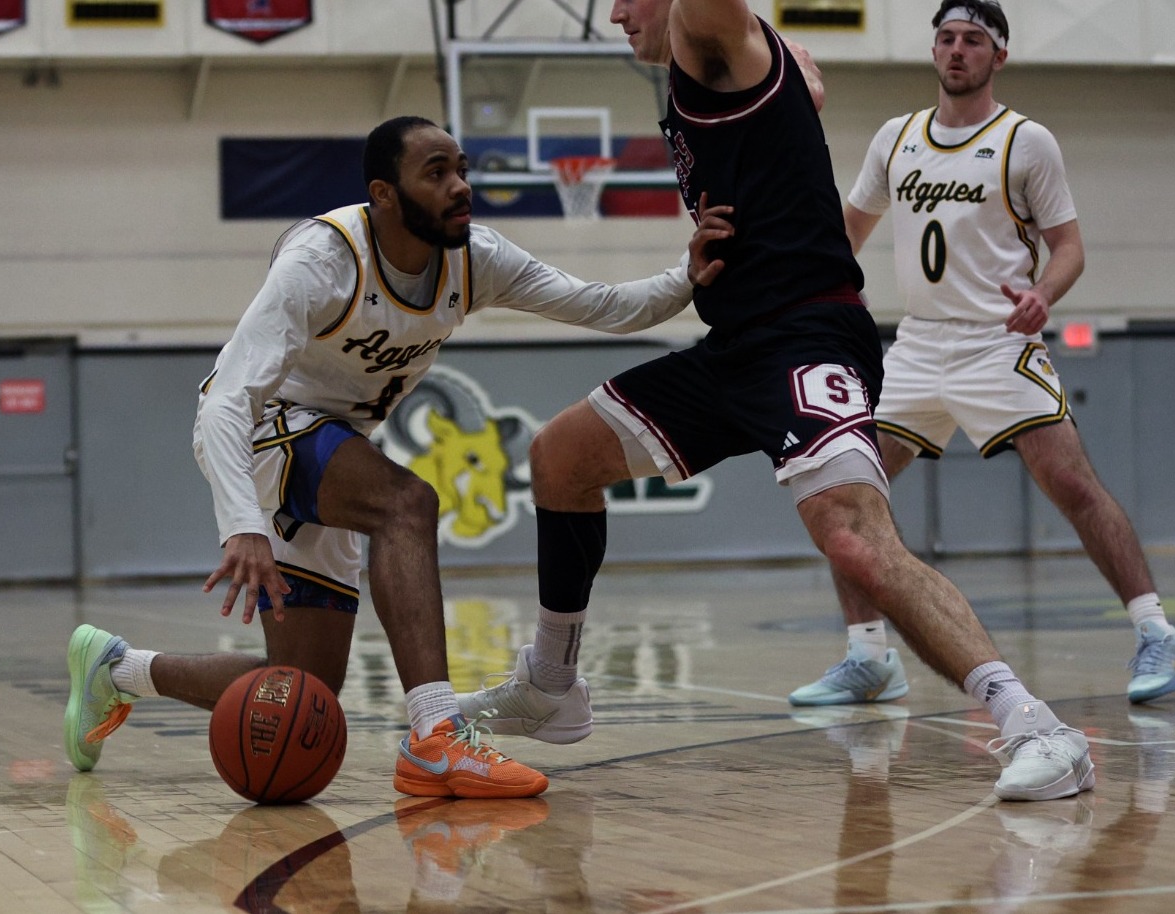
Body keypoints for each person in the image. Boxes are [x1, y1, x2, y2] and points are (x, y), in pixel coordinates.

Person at [459, 0, 1096, 802]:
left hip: (807, 336)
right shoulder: (740, 59)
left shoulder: (706, 30)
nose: (615, 13)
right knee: (559, 458)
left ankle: (1038, 727)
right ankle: (551, 683)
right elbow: (793, 83)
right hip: (735, 346)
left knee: (856, 539)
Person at [63, 115, 729, 800]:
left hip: (335, 445)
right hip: (265, 430)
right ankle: (437, 737)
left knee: (303, 691)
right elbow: (226, 403)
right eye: (436, 172)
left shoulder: (476, 256)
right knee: (406, 501)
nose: (459, 186)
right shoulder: (322, 262)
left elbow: (602, 305)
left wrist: (687, 272)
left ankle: (116, 670)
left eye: (462, 168)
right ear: (383, 193)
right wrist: (242, 525)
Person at [788, 0, 1175, 709]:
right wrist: (806, 298)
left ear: (997, 56)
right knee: (844, 495)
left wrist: (1043, 295)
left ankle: (1159, 632)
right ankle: (870, 658)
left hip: (996, 344)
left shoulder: (1026, 141)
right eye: (946, 38)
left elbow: (1069, 249)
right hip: (915, 345)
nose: (955, 51)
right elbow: (846, 233)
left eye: (972, 41)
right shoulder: (898, 137)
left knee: (1072, 487)